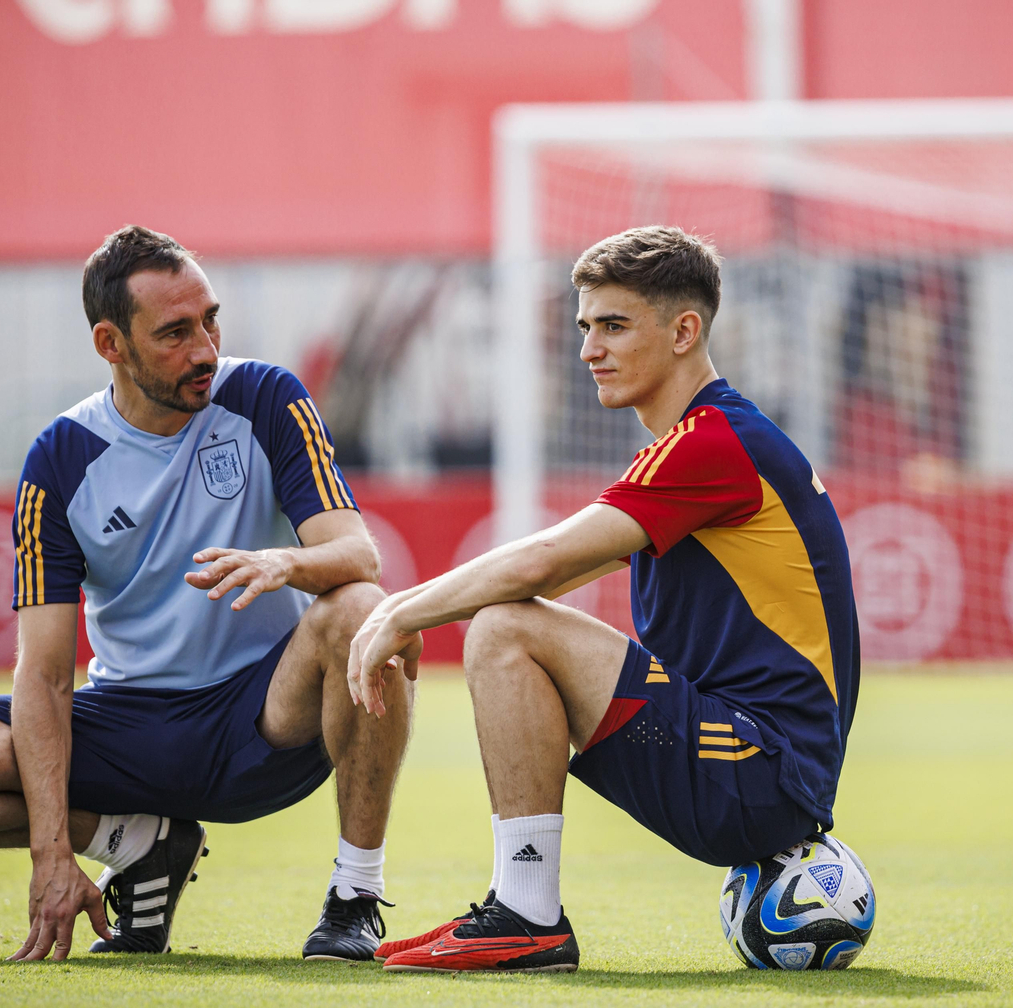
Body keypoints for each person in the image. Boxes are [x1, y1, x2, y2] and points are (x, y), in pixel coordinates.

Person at [0, 226, 414, 962]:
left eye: (211, 320)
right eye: (176, 333)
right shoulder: (60, 459)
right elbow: (46, 673)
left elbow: (358, 552)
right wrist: (51, 852)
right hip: (132, 729)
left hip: (266, 716)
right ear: (110, 345)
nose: (206, 350)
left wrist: (285, 563)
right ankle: (141, 846)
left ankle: (353, 899)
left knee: (365, 610)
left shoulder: (265, 396)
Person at [349, 226, 860, 974]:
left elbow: (545, 560)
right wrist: (429, 609)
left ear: (685, 330)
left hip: (757, 770)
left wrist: (397, 611)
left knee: (504, 629)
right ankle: (520, 910)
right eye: (585, 327)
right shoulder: (703, 440)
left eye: (614, 326)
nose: (590, 348)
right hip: (760, 771)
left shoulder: (714, 442)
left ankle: (525, 914)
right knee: (507, 619)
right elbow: (551, 578)